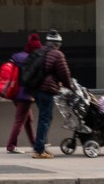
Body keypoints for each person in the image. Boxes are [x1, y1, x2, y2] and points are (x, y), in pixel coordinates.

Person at [29, 28, 73, 159]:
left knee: (44, 118)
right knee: (45, 119)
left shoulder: (40, 51)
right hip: (46, 90)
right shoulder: (57, 54)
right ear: (57, 43)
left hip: (36, 89)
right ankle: (39, 150)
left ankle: (40, 147)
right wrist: (69, 86)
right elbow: (64, 73)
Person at [5, 33, 39, 153]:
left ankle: (35, 143)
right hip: (25, 95)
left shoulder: (17, 57)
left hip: (14, 91)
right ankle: (11, 146)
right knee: (20, 120)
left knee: (28, 119)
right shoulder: (31, 60)